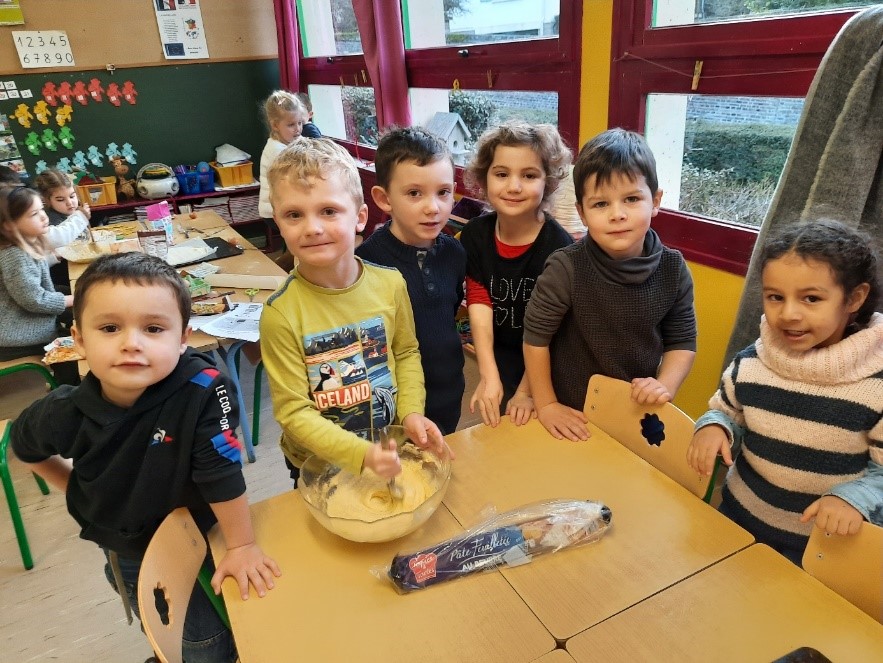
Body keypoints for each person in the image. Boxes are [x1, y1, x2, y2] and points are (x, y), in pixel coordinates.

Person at [10, 252, 281, 662]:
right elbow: (26, 447)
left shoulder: (205, 388)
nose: (131, 343)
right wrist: (76, 489)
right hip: (133, 547)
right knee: (198, 643)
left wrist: (241, 545)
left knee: (239, 617)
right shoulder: (62, 412)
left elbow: (220, 473)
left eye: (153, 328)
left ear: (183, 337)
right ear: (79, 339)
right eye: (109, 328)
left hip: (206, 529)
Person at [687, 219, 883, 565]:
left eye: (811, 298)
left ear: (854, 298)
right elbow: (727, 413)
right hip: (737, 520)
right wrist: (714, 426)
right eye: (775, 297)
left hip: (823, 550)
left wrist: (853, 498)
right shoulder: (751, 362)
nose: (789, 313)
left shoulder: (876, 386)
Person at [259, 138, 451, 486]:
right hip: (318, 463)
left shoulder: (391, 284)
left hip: (387, 445)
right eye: (294, 215)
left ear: (360, 217)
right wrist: (361, 455)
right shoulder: (280, 313)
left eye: (328, 211)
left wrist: (411, 412)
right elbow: (293, 411)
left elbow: (405, 353)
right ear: (279, 223)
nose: (313, 227)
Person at [523, 128, 697, 441]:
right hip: (570, 410)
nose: (617, 214)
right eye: (601, 204)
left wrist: (665, 385)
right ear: (582, 213)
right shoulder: (565, 267)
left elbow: (682, 342)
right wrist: (546, 403)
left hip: (635, 412)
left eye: (631, 199)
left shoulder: (674, 269)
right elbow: (536, 339)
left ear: (655, 201)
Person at [459, 121, 574, 428]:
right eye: (501, 174)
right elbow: (479, 302)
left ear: (548, 182)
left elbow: (553, 329)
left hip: (547, 360)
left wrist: (527, 391)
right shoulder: (475, 235)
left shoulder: (559, 247)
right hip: (501, 354)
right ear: (484, 178)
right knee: (502, 428)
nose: (513, 186)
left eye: (529, 175)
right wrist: (488, 373)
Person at [356, 126, 466, 434]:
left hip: (449, 390)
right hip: (394, 405)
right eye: (414, 193)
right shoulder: (366, 262)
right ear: (384, 198)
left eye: (443, 192)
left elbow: (450, 309)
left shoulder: (455, 252)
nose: (433, 207)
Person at [0, 185, 79, 385]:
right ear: (9, 225)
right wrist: (72, 299)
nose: (44, 217)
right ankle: (67, 391)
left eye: (42, 209)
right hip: (17, 338)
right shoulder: (15, 255)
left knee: (81, 322)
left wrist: (72, 296)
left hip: (29, 325)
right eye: (34, 214)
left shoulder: (27, 244)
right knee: (73, 356)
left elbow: (40, 290)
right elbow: (35, 300)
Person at [258, 90, 308, 240]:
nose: (298, 129)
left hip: (284, 205)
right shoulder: (276, 150)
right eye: (291, 125)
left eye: (300, 123)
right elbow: (294, 176)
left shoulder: (291, 141)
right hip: (272, 211)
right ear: (275, 125)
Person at [33, 169, 92, 289]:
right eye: (60, 199)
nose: (70, 203)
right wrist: (81, 217)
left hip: (78, 267)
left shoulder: (72, 212)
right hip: (62, 277)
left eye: (72, 196)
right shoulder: (50, 219)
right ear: (47, 200)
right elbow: (61, 238)